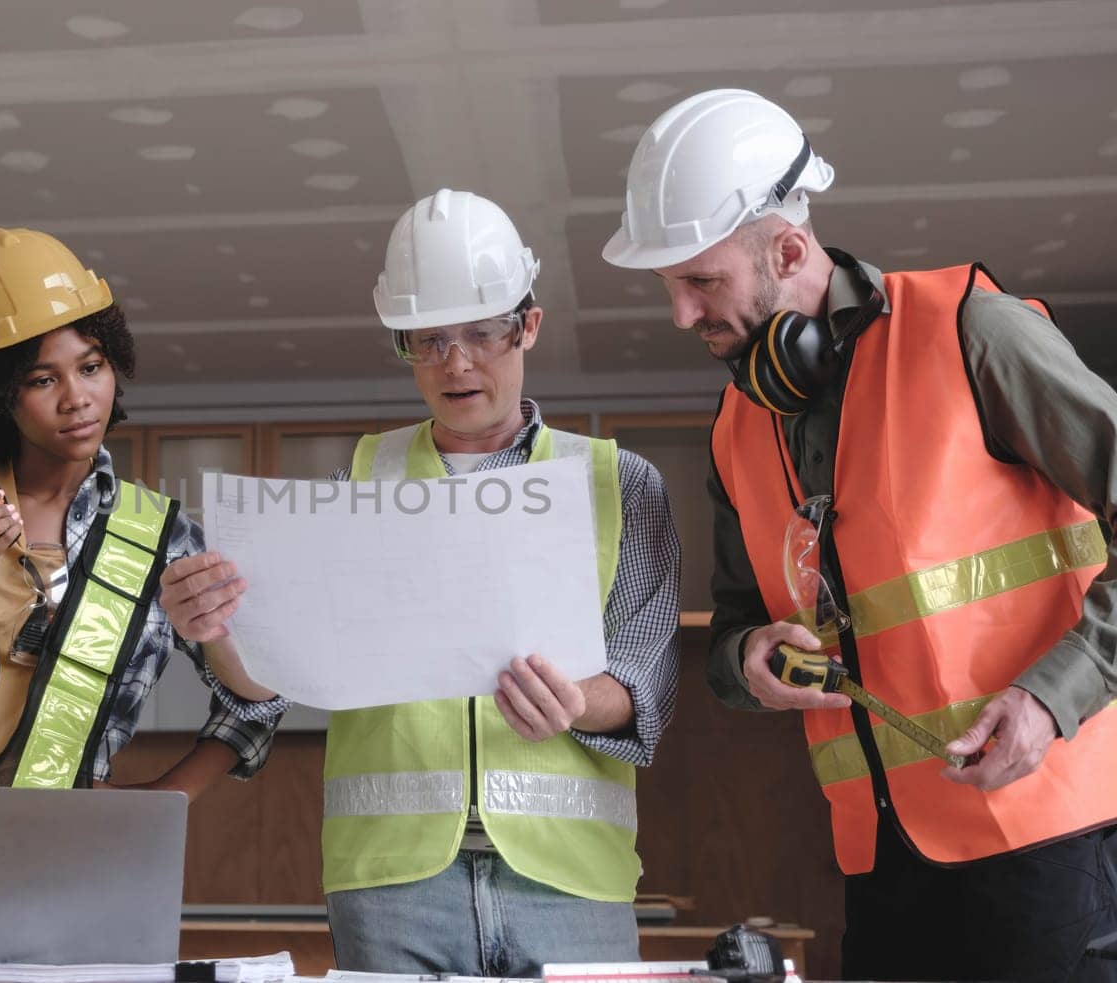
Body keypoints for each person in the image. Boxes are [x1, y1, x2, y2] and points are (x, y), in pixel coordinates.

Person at [601, 88, 1117, 981]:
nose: (682, 315)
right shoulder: (733, 429)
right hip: (882, 866)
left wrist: (1050, 697)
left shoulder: (972, 334)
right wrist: (749, 656)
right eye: (670, 288)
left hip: (1050, 842)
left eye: (701, 281)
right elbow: (730, 635)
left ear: (790, 249)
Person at [160, 189, 681, 976]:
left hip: (570, 880)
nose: (456, 362)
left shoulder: (617, 483)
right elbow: (266, 686)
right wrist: (217, 630)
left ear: (528, 325)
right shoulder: (361, 482)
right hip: (392, 883)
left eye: (480, 332)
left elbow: (645, 680)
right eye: (428, 339)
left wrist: (580, 701)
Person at [0, 227, 284, 938]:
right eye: (43, 378)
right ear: (0, 396)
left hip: (71, 873)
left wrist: (160, 801)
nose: (77, 398)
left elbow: (257, 700)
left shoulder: (163, 536)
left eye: (91, 366)